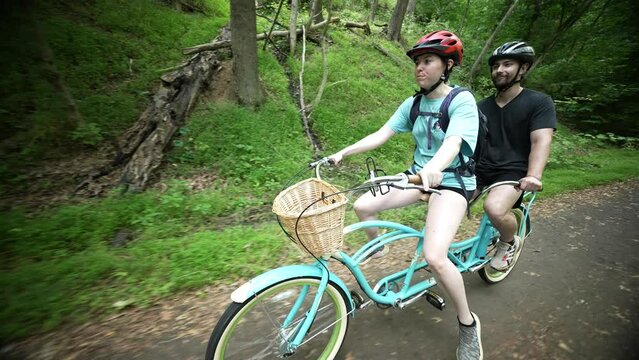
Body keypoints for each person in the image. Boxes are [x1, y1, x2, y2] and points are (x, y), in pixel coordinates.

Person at [329, 30, 483, 360]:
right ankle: (380, 251)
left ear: (448, 65)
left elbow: (454, 143)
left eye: (428, 61)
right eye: (417, 62)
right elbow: (381, 133)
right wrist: (343, 152)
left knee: (436, 258)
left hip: (452, 183)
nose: (420, 67)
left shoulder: (461, 101)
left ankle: (468, 324)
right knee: (363, 205)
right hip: (417, 178)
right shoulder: (413, 103)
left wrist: (436, 169)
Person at [474, 41, 556, 271]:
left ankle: (508, 241)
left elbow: (541, 140)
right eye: (496, 65)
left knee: (495, 208)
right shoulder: (480, 107)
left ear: (523, 68)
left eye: (507, 64)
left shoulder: (539, 102)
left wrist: (534, 175)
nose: (500, 70)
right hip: (480, 168)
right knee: (448, 202)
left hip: (513, 171)